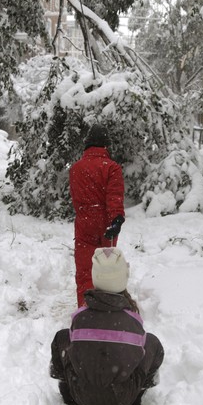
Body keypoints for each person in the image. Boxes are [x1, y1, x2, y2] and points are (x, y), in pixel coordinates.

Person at [50, 247, 164, 405]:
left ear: (95, 277)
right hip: (123, 397)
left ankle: (67, 392)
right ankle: (138, 395)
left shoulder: (80, 317)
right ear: (124, 277)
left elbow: (75, 348)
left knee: (62, 337)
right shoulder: (133, 320)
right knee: (151, 342)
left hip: (81, 394)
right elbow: (137, 353)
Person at [69, 124, 125, 307]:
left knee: (85, 271)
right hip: (106, 224)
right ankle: (107, 311)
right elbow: (114, 196)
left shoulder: (76, 168)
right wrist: (116, 219)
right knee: (107, 270)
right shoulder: (112, 168)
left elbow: (77, 198)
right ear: (106, 146)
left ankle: (85, 312)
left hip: (84, 222)